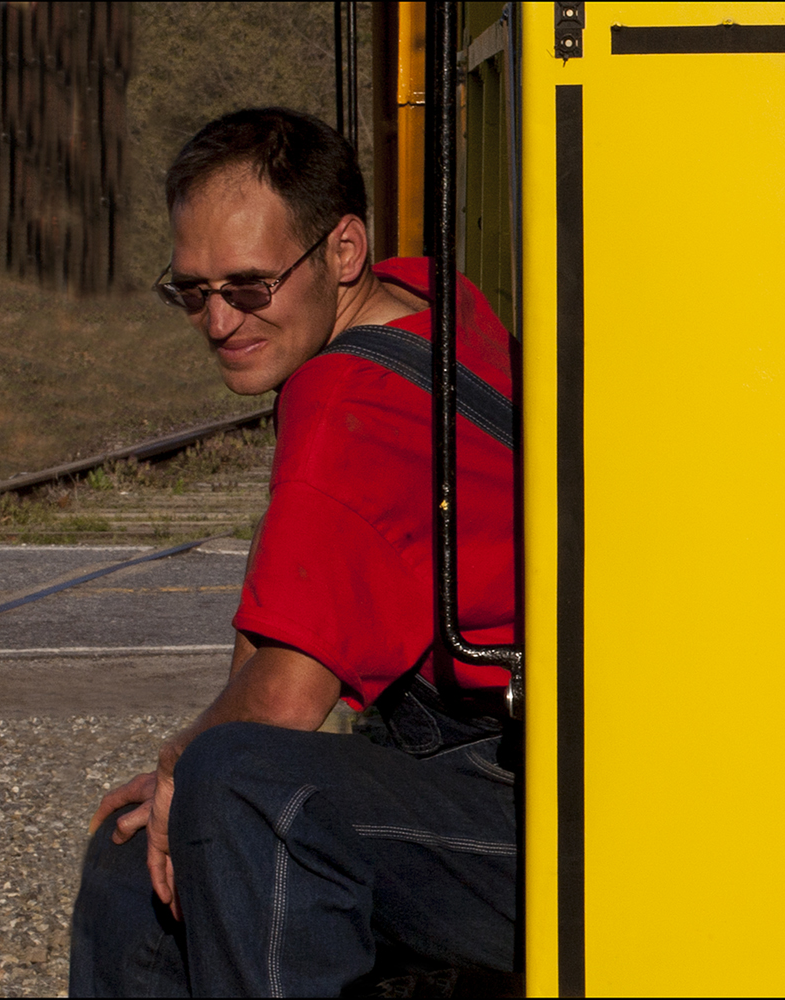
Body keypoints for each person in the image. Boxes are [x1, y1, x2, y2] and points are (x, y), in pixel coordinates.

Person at [69, 107, 517, 997]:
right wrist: (184, 778)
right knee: (149, 846)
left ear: (342, 251)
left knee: (241, 793)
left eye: (248, 286)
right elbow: (272, 633)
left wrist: (179, 766)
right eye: (193, 290)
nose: (219, 321)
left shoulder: (346, 410)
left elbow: (282, 697)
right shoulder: (428, 297)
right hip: (527, 773)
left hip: (539, 815)